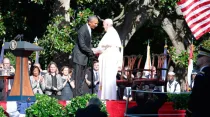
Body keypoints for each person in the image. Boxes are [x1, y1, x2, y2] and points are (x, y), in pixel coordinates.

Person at [93, 19, 123, 100]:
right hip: (107, 59)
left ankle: (108, 96)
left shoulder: (111, 33)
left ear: (107, 24)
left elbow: (104, 47)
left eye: (103, 25)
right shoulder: (111, 33)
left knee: (108, 78)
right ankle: (104, 96)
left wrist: (94, 50)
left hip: (109, 60)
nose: (103, 27)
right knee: (105, 78)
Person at [71, 15, 98, 97]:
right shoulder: (82, 30)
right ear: (90, 22)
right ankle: (76, 96)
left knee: (82, 77)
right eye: (95, 23)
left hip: (84, 57)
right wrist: (91, 52)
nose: (96, 25)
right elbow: (82, 45)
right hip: (79, 57)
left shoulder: (89, 29)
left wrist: (93, 50)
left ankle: (80, 94)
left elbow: (88, 44)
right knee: (78, 77)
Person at [188, 46, 210, 117]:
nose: (197, 59)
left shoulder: (201, 75)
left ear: (205, 59)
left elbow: (196, 96)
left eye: (199, 56)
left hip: (201, 112)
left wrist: (189, 111)